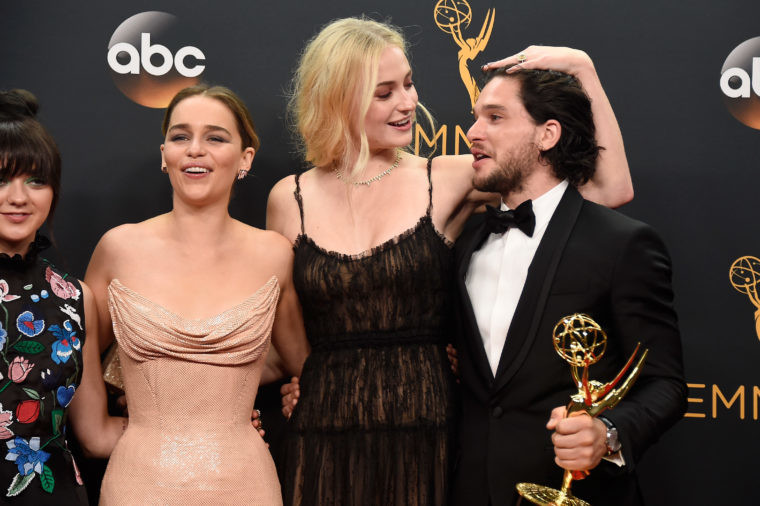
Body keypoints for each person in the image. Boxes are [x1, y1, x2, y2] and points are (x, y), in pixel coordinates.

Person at [268, 17, 633, 506]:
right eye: (384, 93)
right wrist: (302, 383)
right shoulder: (289, 198)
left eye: (409, 83)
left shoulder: (448, 178)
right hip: (324, 428)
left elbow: (609, 189)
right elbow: (286, 325)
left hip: (428, 425)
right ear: (339, 100)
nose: (408, 102)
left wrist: (583, 70)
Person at [451, 66, 686, 505]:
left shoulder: (622, 244)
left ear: (548, 134)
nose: (472, 132)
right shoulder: (464, 244)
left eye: (495, 117)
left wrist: (608, 433)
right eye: (476, 117)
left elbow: (666, 385)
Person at [84, 84, 309, 504]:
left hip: (246, 485)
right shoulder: (118, 249)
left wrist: (293, 395)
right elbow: (71, 356)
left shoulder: (274, 255)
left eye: (215, 138)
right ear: (165, 154)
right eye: (180, 136)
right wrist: (96, 430)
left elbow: (303, 365)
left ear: (245, 159)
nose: (195, 150)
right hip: (138, 483)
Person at [0, 89, 124, 504]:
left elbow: (96, 436)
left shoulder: (74, 296)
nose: (19, 197)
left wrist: (212, 427)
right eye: (1, 179)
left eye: (35, 179)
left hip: (52, 493)